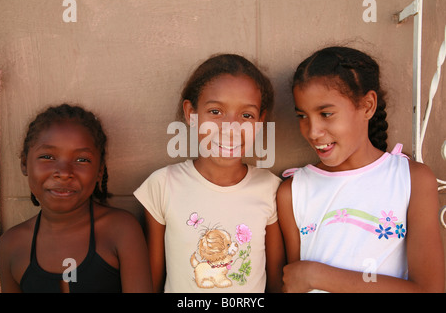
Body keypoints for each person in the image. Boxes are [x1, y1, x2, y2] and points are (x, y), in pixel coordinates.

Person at [277, 46, 444, 292]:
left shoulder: (411, 179)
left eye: (326, 113)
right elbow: (294, 284)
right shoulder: (293, 191)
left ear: (367, 105)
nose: (312, 132)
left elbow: (429, 290)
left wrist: (318, 275)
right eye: (302, 116)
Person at [134, 54, 285, 292]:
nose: (231, 128)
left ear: (260, 121)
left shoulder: (271, 189)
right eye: (216, 112)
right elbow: (153, 279)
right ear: (191, 114)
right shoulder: (163, 185)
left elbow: (276, 280)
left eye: (246, 115)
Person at [0, 104, 152, 293]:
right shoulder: (11, 245)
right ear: (24, 163)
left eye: (81, 160)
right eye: (47, 156)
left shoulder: (121, 230)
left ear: (99, 171)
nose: (63, 173)